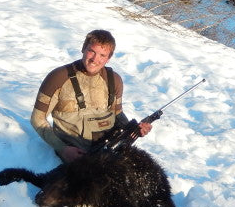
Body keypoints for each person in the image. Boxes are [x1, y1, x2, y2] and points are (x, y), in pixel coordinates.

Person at [31, 29, 152, 162]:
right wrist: (62, 149)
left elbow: (117, 114)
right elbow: (37, 119)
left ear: (108, 58)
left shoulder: (114, 80)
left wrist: (134, 130)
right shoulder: (58, 77)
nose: (95, 59)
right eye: (92, 51)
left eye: (102, 55)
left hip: (106, 152)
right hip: (74, 155)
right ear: (83, 48)